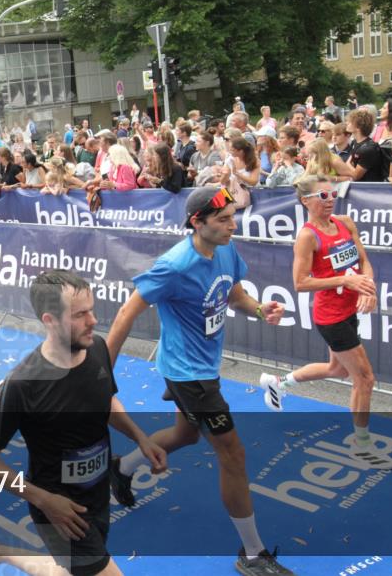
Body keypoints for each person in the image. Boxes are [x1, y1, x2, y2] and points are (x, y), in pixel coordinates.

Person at [105, 186, 295, 576]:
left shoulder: (224, 248)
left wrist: (261, 309)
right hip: (187, 374)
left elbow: (235, 294)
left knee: (186, 435)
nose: (233, 225)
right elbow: (127, 310)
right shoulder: (175, 265)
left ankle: (121, 468)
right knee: (233, 453)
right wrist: (101, 372)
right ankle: (253, 554)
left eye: (232, 217)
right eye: (224, 219)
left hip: (202, 368)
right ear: (198, 222)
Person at [0, 270, 167, 576]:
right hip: (57, 510)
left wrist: (141, 437)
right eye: (80, 315)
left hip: (98, 496)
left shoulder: (97, 349)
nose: (92, 321)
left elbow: (106, 402)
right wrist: (45, 500)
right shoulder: (22, 385)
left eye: (91, 310)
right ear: (50, 320)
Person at [258, 174, 392, 470]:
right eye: (323, 196)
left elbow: (363, 261)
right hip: (330, 316)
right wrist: (345, 280)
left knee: (337, 369)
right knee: (365, 379)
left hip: (348, 311)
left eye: (333, 194)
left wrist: (367, 287)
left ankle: (278, 383)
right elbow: (299, 283)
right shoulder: (307, 236)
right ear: (305, 201)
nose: (330, 199)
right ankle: (361, 446)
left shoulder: (345, 222)